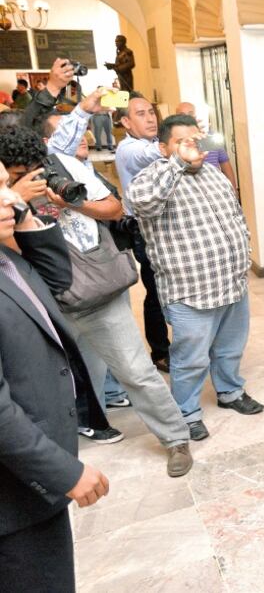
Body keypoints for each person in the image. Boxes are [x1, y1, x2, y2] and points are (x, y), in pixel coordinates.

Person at [7, 118, 194, 475]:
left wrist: (70, 203)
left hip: (94, 287)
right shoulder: (7, 194)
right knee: (55, 379)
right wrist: (17, 202)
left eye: (35, 168)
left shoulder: (65, 166)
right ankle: (70, 444)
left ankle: (175, 439)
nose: (33, 176)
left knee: (135, 370)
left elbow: (114, 209)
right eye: (18, 173)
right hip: (42, 301)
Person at [0, 159, 110, 591]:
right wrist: (62, 471)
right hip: (16, 494)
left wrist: (24, 218)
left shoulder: (9, 257)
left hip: (32, 488)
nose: (10, 196)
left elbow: (58, 279)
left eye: (6, 184)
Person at [127, 114, 263, 442]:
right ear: (164, 148)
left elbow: (235, 216)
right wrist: (177, 163)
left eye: (195, 140)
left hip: (232, 283)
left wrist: (242, 257)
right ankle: (186, 412)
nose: (192, 147)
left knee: (230, 348)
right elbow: (140, 202)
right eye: (181, 142)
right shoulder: (152, 178)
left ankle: (230, 392)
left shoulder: (213, 175)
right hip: (191, 291)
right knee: (190, 358)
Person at [116, 95, 171, 373]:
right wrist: (172, 144)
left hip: (168, 226)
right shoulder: (128, 149)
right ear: (126, 121)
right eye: (141, 114)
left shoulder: (153, 143)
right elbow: (147, 156)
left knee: (171, 289)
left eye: (151, 112)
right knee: (157, 292)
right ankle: (161, 352)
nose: (150, 118)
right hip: (145, 231)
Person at [176, 102, 237, 191]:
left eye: (190, 114)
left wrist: (233, 191)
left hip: (216, 187)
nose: (187, 118)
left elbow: (225, 164)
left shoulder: (209, 136)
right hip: (191, 190)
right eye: (182, 115)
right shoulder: (176, 141)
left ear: (195, 116)